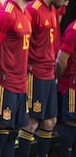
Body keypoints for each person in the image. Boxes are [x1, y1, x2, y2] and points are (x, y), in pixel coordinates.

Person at [18, 0, 76, 157]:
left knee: (50, 121)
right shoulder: (33, 9)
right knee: (32, 122)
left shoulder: (53, 10)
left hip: (49, 72)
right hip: (35, 73)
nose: (66, 4)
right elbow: (23, 43)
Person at [0, 0, 37, 157]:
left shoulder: (27, 14)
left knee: (13, 133)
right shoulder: (5, 14)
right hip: (5, 84)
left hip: (21, 83)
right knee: (0, 133)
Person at [56, 19, 76, 157]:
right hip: (72, 84)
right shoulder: (73, 31)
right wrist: (59, 79)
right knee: (71, 120)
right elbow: (61, 60)